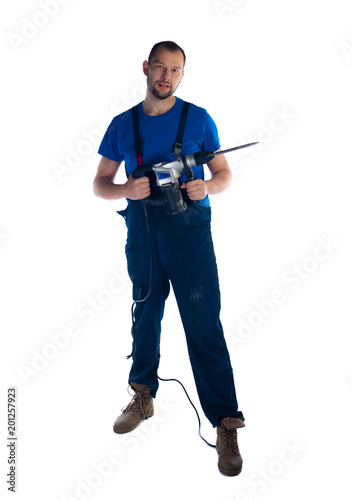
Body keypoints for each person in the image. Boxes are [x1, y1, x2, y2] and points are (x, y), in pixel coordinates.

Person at [93, 41, 245, 476]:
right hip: (141, 232)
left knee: (202, 323)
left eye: (175, 70)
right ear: (146, 68)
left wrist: (206, 188)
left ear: (182, 75)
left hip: (189, 234)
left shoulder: (198, 118)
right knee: (145, 313)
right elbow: (100, 183)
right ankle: (143, 395)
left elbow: (224, 173)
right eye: (159, 67)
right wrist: (124, 190)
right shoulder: (122, 125)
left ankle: (226, 423)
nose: (166, 75)